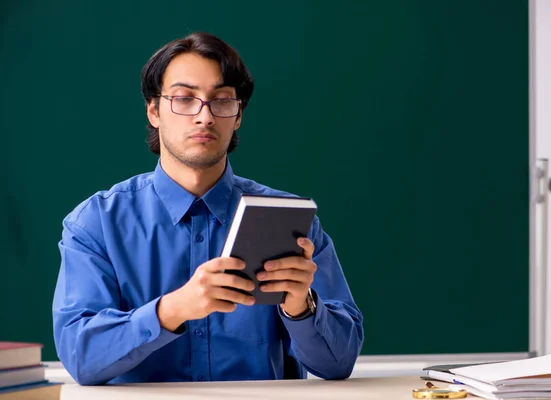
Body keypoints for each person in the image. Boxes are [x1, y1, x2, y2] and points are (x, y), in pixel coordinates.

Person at [52, 32, 364, 385]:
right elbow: (81, 357)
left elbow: (339, 364)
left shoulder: (289, 219)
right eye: (184, 99)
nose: (205, 116)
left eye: (222, 100)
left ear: (238, 115)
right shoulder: (96, 224)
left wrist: (300, 307)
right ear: (154, 111)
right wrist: (173, 309)